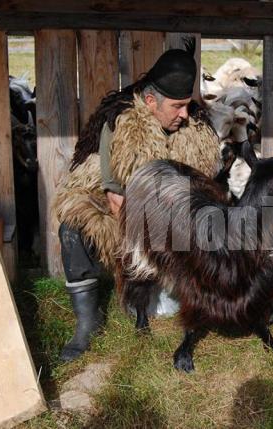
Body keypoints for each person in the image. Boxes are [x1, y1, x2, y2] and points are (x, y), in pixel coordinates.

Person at [53, 38, 219, 362]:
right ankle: (87, 323)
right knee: (72, 229)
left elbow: (201, 190)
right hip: (127, 222)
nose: (185, 114)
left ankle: (225, 302)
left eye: (188, 104)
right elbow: (96, 180)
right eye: (177, 106)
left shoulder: (196, 133)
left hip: (174, 229)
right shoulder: (121, 123)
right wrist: (111, 193)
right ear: (150, 101)